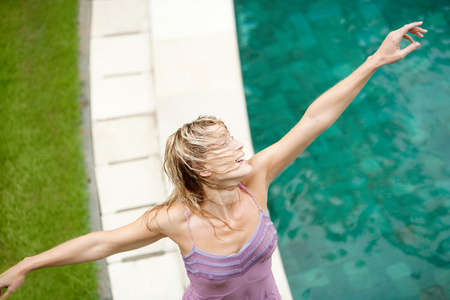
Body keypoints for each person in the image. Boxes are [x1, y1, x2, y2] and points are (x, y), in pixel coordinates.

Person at [0, 21, 427, 300]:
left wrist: (376, 60)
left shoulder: (257, 177)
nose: (241, 147)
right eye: (226, 145)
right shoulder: (174, 219)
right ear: (202, 168)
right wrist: (28, 263)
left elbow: (315, 118)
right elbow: (102, 242)